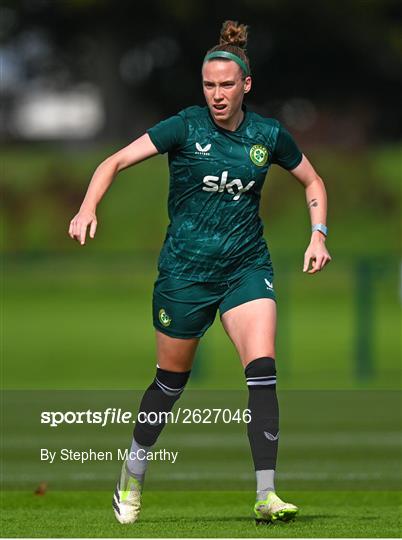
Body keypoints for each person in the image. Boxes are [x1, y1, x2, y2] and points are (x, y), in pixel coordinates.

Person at [68, 20, 331, 525]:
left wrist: (319, 232)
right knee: (170, 383)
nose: (216, 94)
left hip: (245, 266)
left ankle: (266, 494)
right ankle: (133, 473)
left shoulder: (268, 135)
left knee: (262, 372)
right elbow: (115, 160)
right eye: (209, 85)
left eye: (226, 85)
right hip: (185, 274)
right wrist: (87, 207)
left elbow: (312, 180)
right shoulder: (184, 127)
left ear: (246, 86)